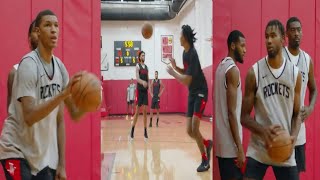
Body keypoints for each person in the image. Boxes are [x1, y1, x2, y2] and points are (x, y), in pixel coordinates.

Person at [0, 9, 86, 180]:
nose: (54, 29)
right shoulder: (27, 65)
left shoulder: (60, 69)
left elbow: (67, 117)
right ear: (37, 32)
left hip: (41, 155)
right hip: (15, 149)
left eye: (56, 25)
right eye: (48, 25)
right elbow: (30, 116)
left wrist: (90, 102)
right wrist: (62, 95)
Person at [241, 19, 302, 180]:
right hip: (259, 148)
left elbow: (297, 114)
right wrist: (263, 131)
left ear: (283, 39)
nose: (268, 40)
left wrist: (293, 138)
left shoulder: (295, 74)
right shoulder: (254, 72)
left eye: (273, 36)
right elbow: (244, 117)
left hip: (284, 147)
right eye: (266, 36)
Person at [166, 25, 213, 172]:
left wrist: (173, 73)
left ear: (185, 37)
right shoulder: (184, 53)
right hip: (192, 93)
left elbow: (186, 80)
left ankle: (205, 160)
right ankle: (206, 143)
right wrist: (176, 67)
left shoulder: (193, 54)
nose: (178, 38)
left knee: (194, 128)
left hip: (200, 91)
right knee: (189, 131)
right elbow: (186, 72)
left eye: (180, 35)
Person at [282, 16, 317, 174]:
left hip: (299, 130)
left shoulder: (307, 59)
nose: (297, 33)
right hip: (280, 127)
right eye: (293, 30)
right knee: (282, 173)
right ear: (286, 34)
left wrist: (310, 108)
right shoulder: (279, 57)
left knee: (295, 174)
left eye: (299, 30)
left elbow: (314, 89)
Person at [215, 30, 246, 180]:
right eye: (242, 46)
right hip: (231, 148)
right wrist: (240, 148)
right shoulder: (233, 71)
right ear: (233, 46)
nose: (245, 50)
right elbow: (231, 113)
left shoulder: (220, 67)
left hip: (221, 146)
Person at [7, 20, 38, 112]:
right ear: (29, 38)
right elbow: (11, 114)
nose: (40, 35)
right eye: (36, 31)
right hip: (23, 125)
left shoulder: (56, 71)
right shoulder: (15, 72)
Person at [130, 51, 149, 140]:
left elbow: (148, 79)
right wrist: (143, 82)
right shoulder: (138, 66)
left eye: (144, 55)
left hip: (145, 92)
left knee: (145, 112)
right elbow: (137, 78)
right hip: (139, 91)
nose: (144, 56)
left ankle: (145, 131)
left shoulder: (147, 67)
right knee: (137, 112)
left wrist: (148, 85)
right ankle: (132, 130)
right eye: (142, 55)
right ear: (139, 57)